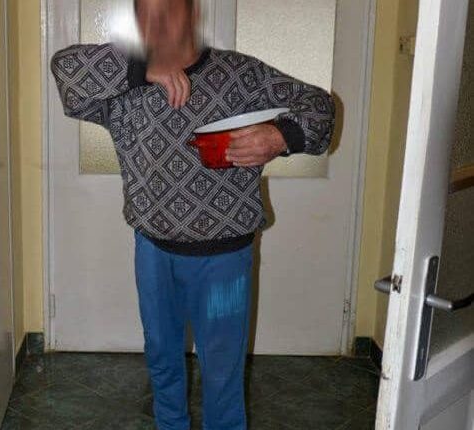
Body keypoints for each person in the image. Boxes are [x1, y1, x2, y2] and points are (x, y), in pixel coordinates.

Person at [51, 0, 335, 428]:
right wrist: (139, 67)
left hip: (225, 260)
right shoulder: (122, 85)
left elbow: (320, 107)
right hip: (153, 252)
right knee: (162, 359)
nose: (159, 23)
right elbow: (64, 71)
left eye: (169, 10)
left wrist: (281, 136)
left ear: (193, 14)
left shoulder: (240, 75)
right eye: (147, 13)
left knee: (222, 370)